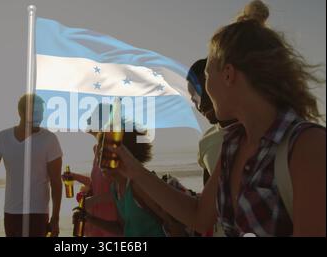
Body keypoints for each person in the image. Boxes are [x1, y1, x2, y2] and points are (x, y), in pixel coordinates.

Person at [104, 0, 326, 237]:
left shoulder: (307, 146)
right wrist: (134, 170)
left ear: (228, 75)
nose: (204, 93)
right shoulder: (232, 145)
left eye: (208, 75)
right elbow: (200, 216)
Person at [0, 94, 63, 237]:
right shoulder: (3, 137)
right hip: (11, 212)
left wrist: (55, 217)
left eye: (41, 113)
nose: (39, 117)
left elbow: (56, 181)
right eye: (35, 112)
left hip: (37, 212)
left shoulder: (49, 140)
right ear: (21, 112)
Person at [75, 121, 186, 237]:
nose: (100, 161)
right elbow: (122, 229)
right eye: (99, 155)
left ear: (126, 154)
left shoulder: (139, 186)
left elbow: (175, 226)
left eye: (106, 154)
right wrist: (90, 219)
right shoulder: (116, 188)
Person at [187, 58, 237, 236]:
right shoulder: (206, 141)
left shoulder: (256, 132)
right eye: (194, 99)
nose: (200, 105)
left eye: (203, 93)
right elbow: (206, 205)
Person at [63, 103, 121, 237]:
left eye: (92, 115)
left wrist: (94, 200)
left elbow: (121, 191)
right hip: (95, 219)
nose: (88, 119)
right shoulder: (97, 149)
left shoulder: (112, 151)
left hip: (111, 221)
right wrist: (74, 176)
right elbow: (97, 184)